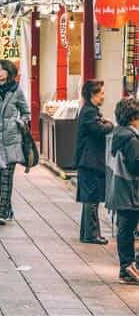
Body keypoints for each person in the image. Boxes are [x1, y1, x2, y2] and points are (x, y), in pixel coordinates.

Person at [0, 59, 31, 225]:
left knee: (7, 177)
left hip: (11, 140)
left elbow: (26, 112)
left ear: (9, 73)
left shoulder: (16, 90)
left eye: (2, 70)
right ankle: (8, 208)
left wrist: (19, 122)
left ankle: (2, 212)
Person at [106, 97, 139, 284]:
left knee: (125, 228)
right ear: (134, 117)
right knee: (126, 229)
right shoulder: (131, 139)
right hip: (130, 191)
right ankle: (129, 267)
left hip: (121, 190)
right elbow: (135, 165)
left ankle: (127, 267)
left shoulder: (120, 134)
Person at [76, 78, 113, 244]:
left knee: (90, 198)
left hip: (88, 159)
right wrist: (110, 125)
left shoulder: (89, 110)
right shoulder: (90, 111)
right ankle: (91, 234)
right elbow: (99, 129)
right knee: (92, 198)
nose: (103, 96)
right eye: (102, 93)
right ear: (93, 94)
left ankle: (88, 233)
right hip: (90, 160)